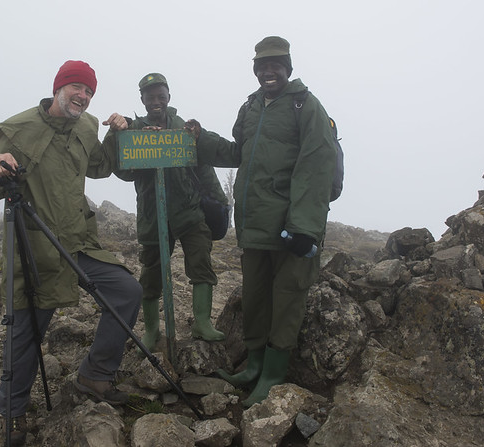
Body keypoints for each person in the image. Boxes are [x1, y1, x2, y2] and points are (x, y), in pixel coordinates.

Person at [0, 60, 142, 445]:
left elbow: (98, 167)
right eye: (77, 87)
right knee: (28, 329)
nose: (83, 96)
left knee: (127, 293)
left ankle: (95, 376)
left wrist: (116, 134)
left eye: (89, 91)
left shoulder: (87, 125)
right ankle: (12, 412)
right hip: (38, 246)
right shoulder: (20, 128)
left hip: (78, 241)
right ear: (59, 88)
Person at [185, 36, 338, 407]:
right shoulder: (251, 106)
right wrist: (202, 139)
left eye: (276, 65)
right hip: (255, 225)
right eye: (262, 65)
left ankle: (272, 376)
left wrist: (303, 226)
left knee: (286, 301)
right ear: (255, 70)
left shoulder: (306, 106)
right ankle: (253, 366)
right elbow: (240, 152)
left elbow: (317, 165)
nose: (269, 71)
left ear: (288, 67)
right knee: (254, 298)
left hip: (291, 228)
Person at [113, 73, 228, 351]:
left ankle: (202, 322)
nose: (156, 101)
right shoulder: (134, 129)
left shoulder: (183, 127)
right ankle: (152, 331)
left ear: (168, 97)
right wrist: (143, 146)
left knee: (201, 264)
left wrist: (220, 201)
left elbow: (203, 167)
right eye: (150, 97)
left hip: (189, 212)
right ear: (142, 100)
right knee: (151, 275)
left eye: (160, 96)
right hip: (153, 216)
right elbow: (123, 171)